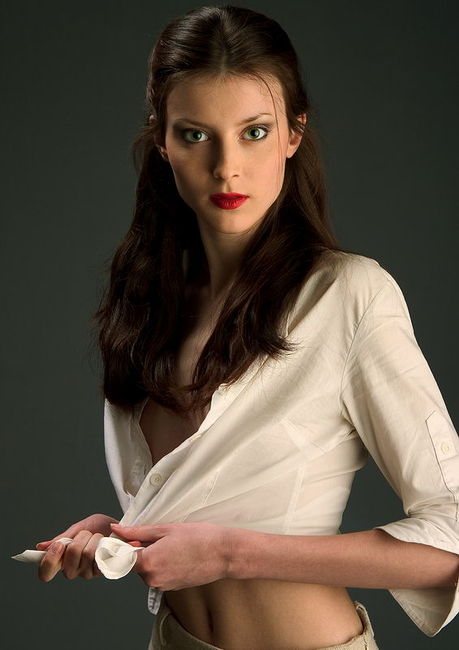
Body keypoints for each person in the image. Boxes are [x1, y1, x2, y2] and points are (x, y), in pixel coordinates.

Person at [35, 4, 459, 650]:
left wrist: (233, 555)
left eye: (254, 132)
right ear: (162, 140)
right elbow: (200, 500)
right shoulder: (144, 306)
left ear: (293, 133)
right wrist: (122, 536)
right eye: (195, 135)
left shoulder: (348, 295)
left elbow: (452, 537)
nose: (227, 166)